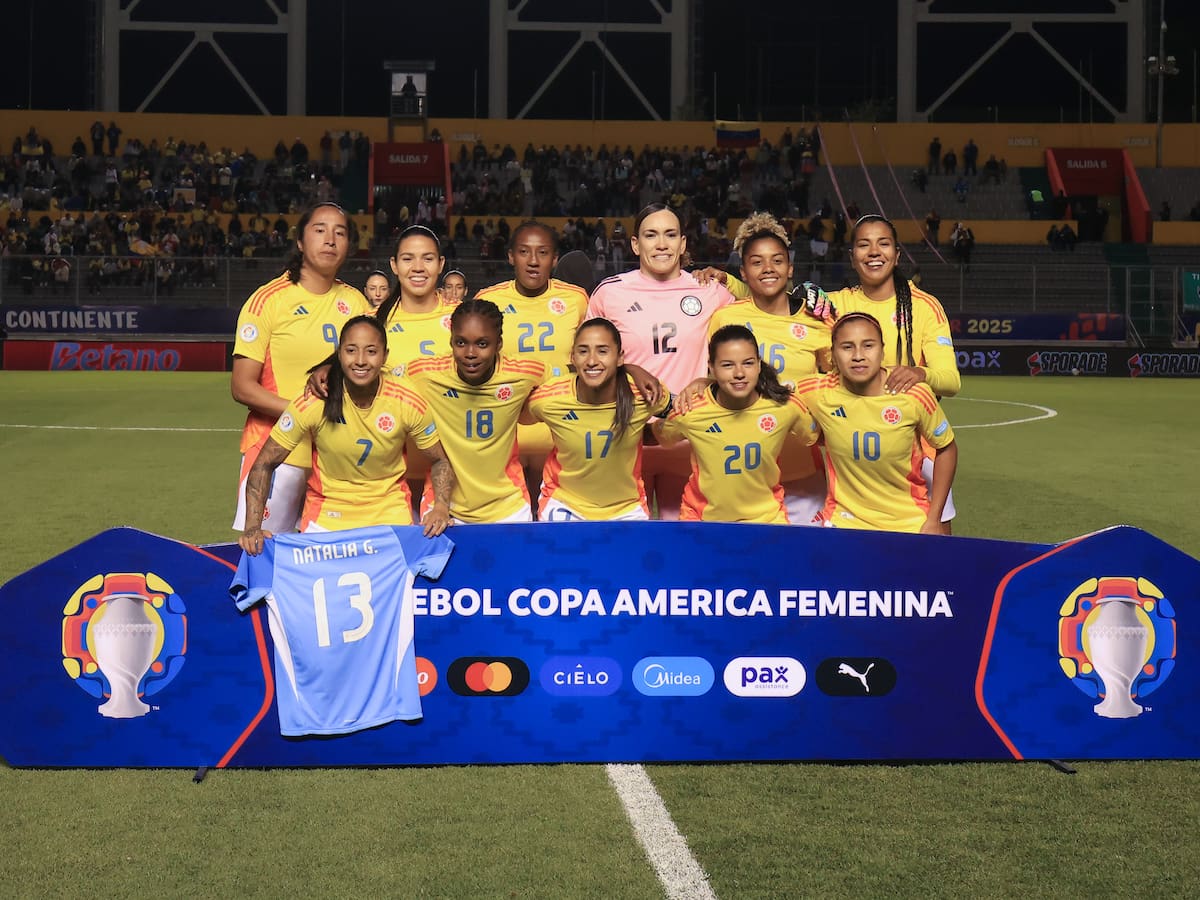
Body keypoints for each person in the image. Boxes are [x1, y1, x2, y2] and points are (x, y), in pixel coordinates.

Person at [238, 316, 455, 556]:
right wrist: (252, 527)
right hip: (327, 514)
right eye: (351, 350)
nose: (360, 360)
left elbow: (440, 460)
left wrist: (441, 507)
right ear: (339, 354)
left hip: (389, 511)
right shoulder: (314, 400)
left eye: (371, 351)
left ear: (385, 356)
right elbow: (264, 462)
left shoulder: (407, 400)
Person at [806, 214, 961, 533]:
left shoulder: (923, 306)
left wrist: (919, 373)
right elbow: (773, 302)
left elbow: (950, 380)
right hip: (851, 450)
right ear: (852, 257)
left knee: (936, 548)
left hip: (915, 446)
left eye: (884, 244)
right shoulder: (835, 304)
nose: (874, 251)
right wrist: (730, 283)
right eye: (864, 245)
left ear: (897, 254)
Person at [587, 203, 736, 518]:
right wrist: (628, 368)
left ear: (682, 244)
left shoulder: (709, 291)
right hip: (626, 436)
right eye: (651, 235)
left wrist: (709, 381)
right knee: (627, 536)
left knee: (685, 534)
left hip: (688, 437)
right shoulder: (609, 293)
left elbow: (753, 325)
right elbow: (588, 363)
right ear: (635, 244)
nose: (661, 244)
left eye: (670, 235)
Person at [230, 202, 370, 534]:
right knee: (262, 552)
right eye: (320, 230)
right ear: (300, 242)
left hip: (336, 457)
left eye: (340, 233)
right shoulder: (268, 300)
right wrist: (304, 413)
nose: (330, 239)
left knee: (329, 557)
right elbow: (242, 387)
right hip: (277, 453)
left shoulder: (356, 303)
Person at [703, 212, 832, 524]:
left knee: (804, 553)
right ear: (744, 272)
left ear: (790, 268)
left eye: (777, 260)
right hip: (742, 471)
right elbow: (712, 386)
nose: (768, 269)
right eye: (756, 262)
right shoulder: (726, 318)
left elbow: (836, 385)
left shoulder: (818, 320)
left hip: (802, 467)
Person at [795, 312, 957, 533]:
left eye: (868, 346)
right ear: (833, 354)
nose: (858, 356)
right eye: (847, 347)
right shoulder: (815, 391)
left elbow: (947, 447)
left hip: (908, 522)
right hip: (844, 521)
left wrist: (934, 518)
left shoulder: (913, 394)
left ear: (882, 350)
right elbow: (774, 398)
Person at [475, 221, 590, 504]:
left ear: (555, 258)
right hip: (505, 431)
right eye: (524, 251)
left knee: (554, 520)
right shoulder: (488, 299)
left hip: (560, 431)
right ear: (511, 256)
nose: (533, 261)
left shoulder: (576, 299)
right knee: (511, 519)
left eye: (543, 252)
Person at [652, 325, 815, 524]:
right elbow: (659, 435)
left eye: (748, 363)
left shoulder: (785, 406)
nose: (739, 373)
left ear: (759, 365)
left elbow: (813, 436)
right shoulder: (690, 410)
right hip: (703, 520)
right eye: (728, 365)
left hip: (767, 520)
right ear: (711, 367)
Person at [405, 300, 547, 524]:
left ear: (499, 344)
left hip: (508, 505)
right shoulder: (424, 373)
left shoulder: (526, 373)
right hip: (442, 506)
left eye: (482, 344)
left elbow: (567, 386)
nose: (470, 353)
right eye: (461, 342)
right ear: (451, 341)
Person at [524, 318, 672, 521]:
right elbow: (519, 417)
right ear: (573, 357)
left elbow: (685, 411)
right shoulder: (548, 398)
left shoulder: (644, 394)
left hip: (626, 508)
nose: (592, 360)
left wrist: (701, 383)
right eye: (583, 351)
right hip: (564, 504)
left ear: (620, 357)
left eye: (602, 351)